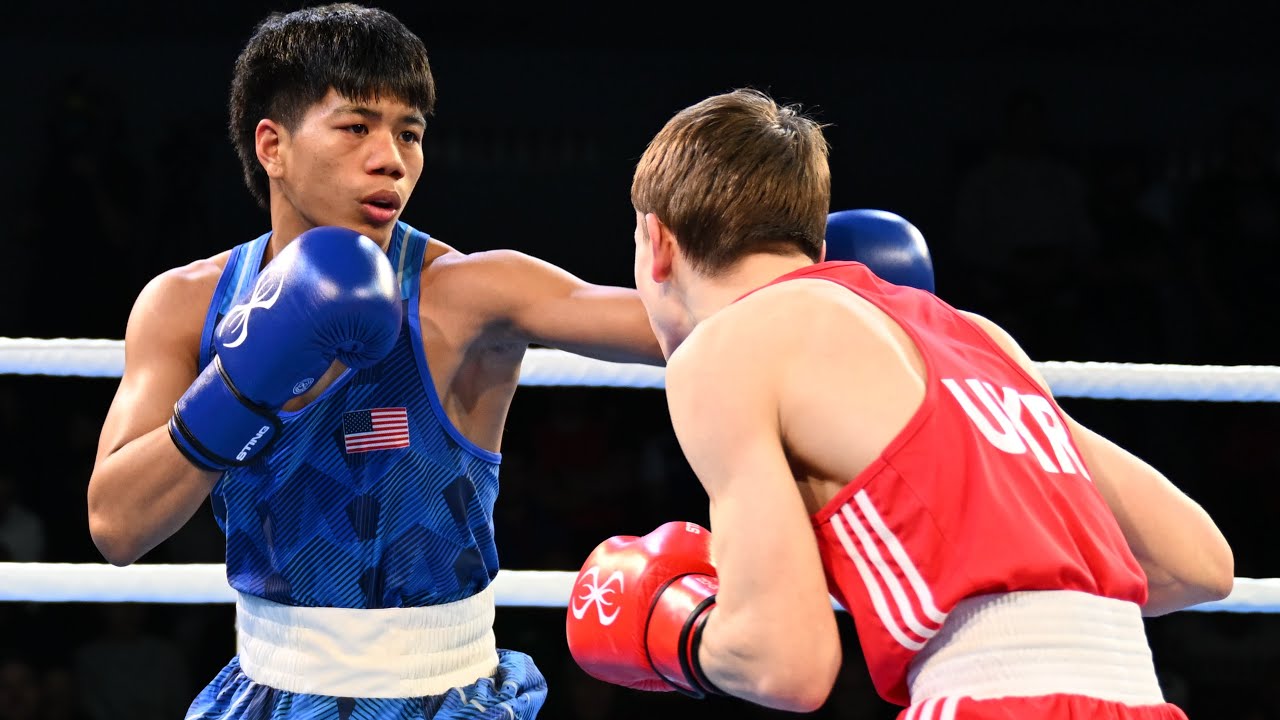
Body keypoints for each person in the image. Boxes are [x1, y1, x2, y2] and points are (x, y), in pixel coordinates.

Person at [563, 88, 1235, 719]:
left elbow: (784, 664)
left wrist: (671, 630)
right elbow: (1198, 564)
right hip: (1139, 699)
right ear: (817, 249)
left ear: (659, 244)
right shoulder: (972, 334)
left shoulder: (721, 352)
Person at [86, 4, 664, 719]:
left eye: (410, 133)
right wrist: (244, 387)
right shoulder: (186, 305)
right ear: (273, 146)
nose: (391, 157)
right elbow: (115, 526)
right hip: (270, 690)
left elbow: (670, 328)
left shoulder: (470, 293)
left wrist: (805, 280)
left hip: (447, 695)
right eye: (357, 126)